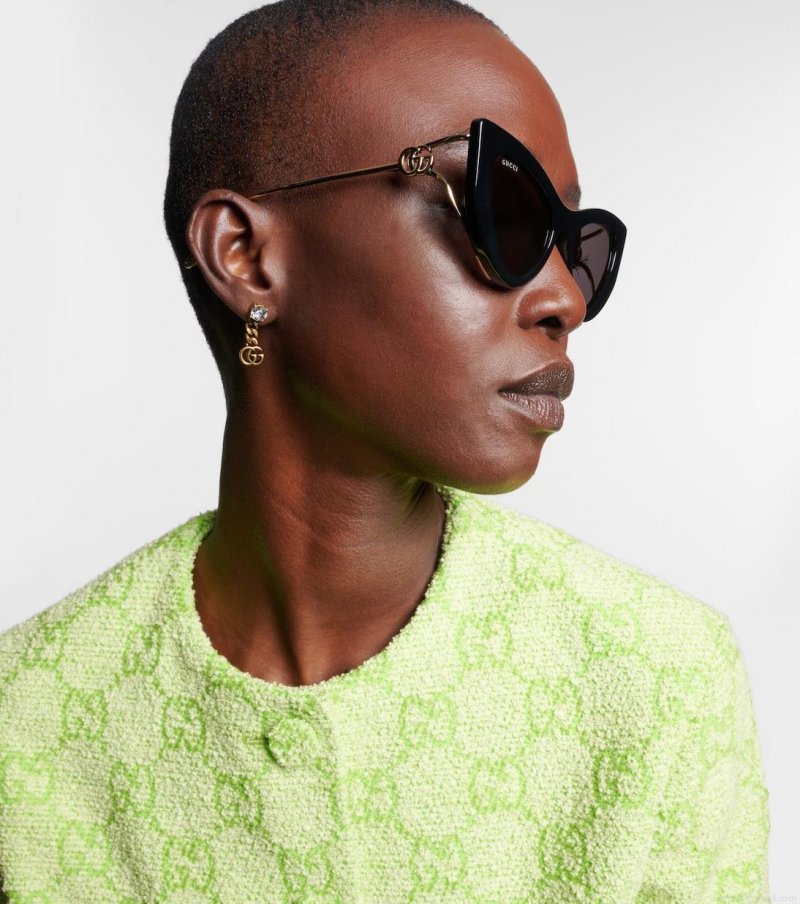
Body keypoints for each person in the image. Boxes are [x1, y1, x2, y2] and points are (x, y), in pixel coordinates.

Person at [0, 0, 770, 901]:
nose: (565, 297)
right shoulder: (25, 726)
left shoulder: (657, 680)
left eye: (575, 246)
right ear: (245, 255)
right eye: (503, 210)